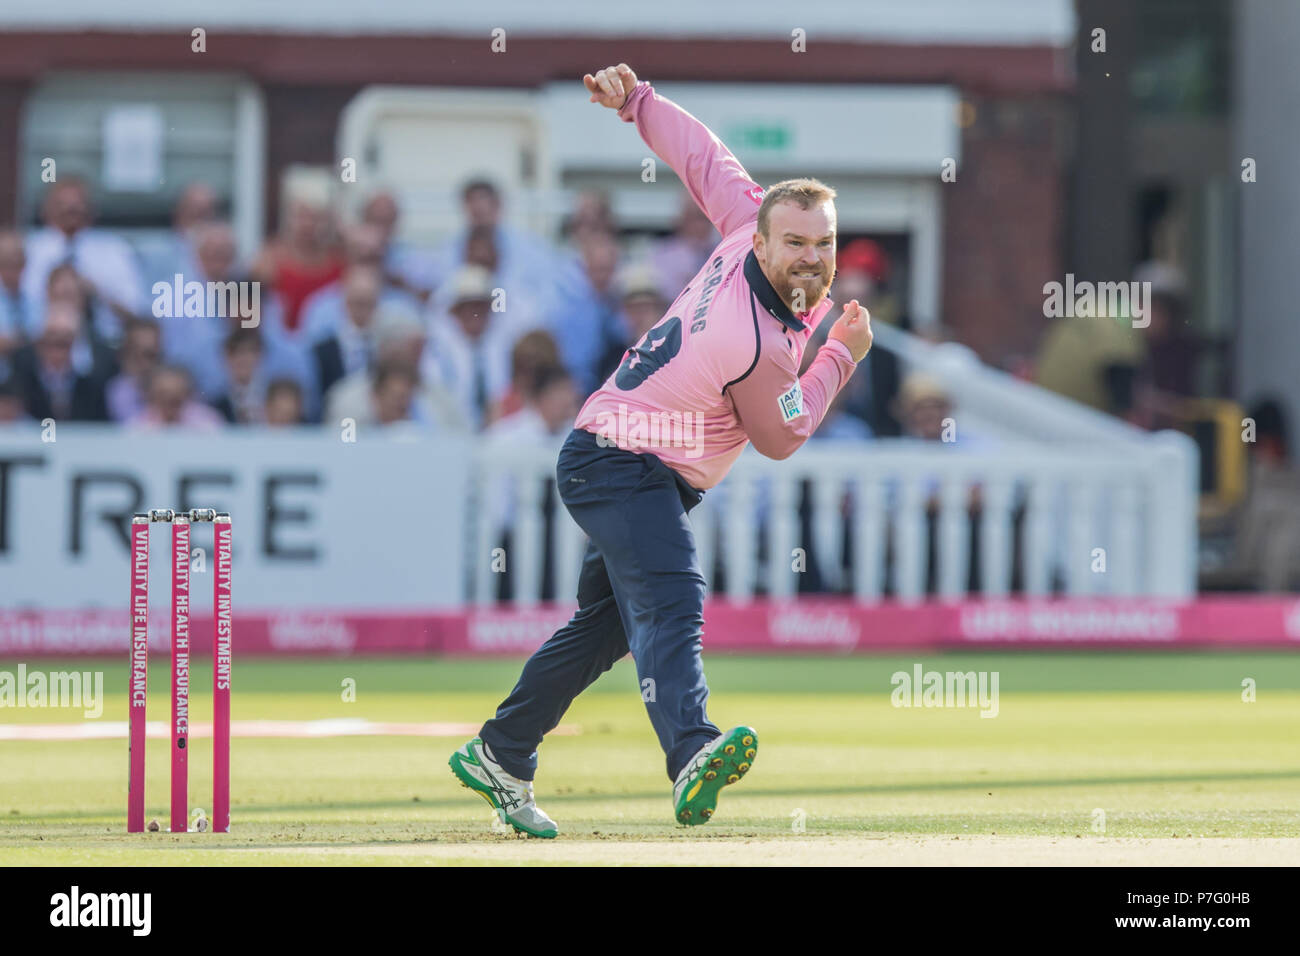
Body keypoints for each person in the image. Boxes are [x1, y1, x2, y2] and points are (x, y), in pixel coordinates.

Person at [449, 63, 872, 837]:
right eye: (797, 244)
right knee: (675, 597)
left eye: (825, 243)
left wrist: (639, 102)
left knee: (605, 629)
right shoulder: (754, 342)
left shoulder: (748, 221)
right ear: (769, 239)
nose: (812, 258)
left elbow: (701, 154)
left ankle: (500, 752)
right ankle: (691, 751)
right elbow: (781, 435)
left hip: (623, 455)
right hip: (620, 461)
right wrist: (841, 356)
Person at [22, 177, 146, 344]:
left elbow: (137, 313)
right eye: (62, 204)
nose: (70, 209)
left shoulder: (115, 250)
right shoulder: (28, 251)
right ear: (46, 209)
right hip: (39, 347)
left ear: (92, 210)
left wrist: (96, 292)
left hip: (106, 346)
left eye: (77, 205)